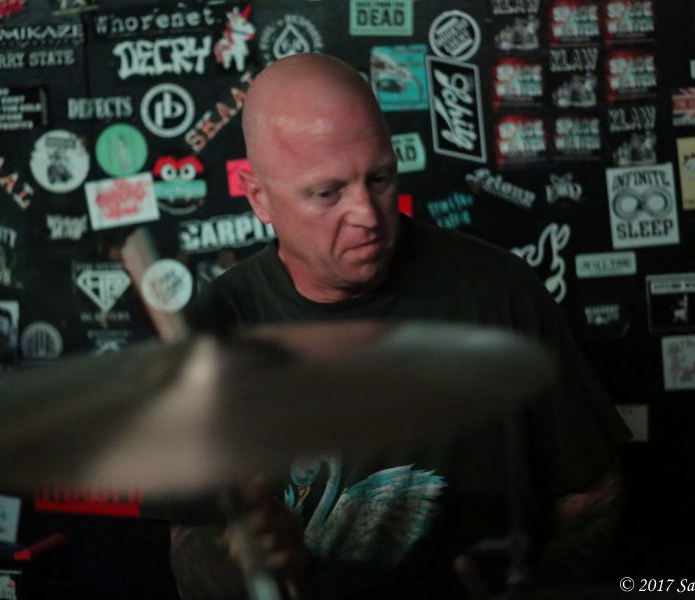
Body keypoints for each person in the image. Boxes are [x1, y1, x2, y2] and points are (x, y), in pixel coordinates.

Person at [169, 53, 630, 600]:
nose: (367, 214)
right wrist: (238, 563)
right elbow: (190, 543)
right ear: (259, 198)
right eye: (328, 193)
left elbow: (590, 496)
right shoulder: (218, 328)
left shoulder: (498, 292)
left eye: (380, 178)